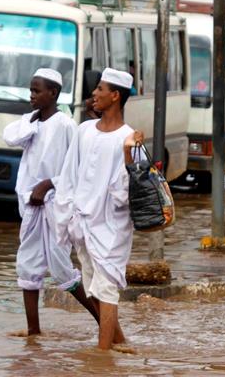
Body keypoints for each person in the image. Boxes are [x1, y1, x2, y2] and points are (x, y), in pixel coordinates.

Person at [3, 68, 99, 336]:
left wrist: (48, 184)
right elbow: (10, 137)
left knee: (60, 267)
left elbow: (75, 168)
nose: (31, 95)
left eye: (37, 91)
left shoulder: (66, 125)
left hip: (55, 205)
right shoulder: (30, 122)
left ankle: (104, 321)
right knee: (28, 265)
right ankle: (33, 332)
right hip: (31, 206)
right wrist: (31, 120)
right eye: (31, 90)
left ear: (53, 93)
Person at [55, 67, 143, 351]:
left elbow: (127, 191)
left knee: (106, 290)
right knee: (94, 289)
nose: (94, 94)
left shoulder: (130, 138)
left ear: (115, 96)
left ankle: (102, 358)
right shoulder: (84, 131)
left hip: (112, 227)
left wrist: (129, 153)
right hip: (83, 223)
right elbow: (69, 176)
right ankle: (120, 343)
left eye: (100, 89)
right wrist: (67, 216)